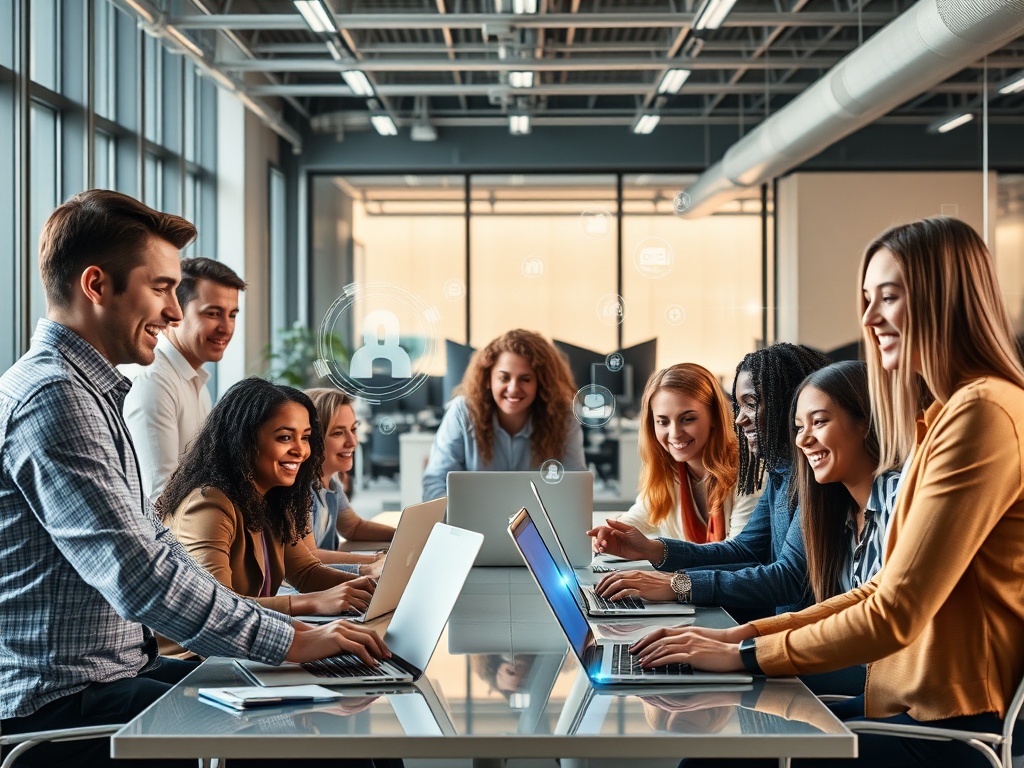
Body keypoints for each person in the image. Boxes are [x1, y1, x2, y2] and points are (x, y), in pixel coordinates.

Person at [0, 190, 388, 768]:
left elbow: (157, 550)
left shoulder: (84, 392)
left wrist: (295, 630)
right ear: (96, 286)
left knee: (332, 717)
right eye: (160, 289)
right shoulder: (55, 397)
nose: (175, 313)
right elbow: (142, 578)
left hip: (117, 675)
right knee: (327, 746)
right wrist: (295, 638)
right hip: (64, 707)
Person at [631, 217, 1024, 768]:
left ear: (945, 299)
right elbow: (880, 590)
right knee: (717, 736)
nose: (868, 318)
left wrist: (744, 655)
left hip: (945, 728)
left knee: (713, 754)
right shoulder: (949, 415)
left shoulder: (982, 413)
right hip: (903, 705)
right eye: (867, 298)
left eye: (888, 297)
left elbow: (893, 613)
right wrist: (739, 638)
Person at [589, 343, 831, 623]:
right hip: (780, 632)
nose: (738, 419)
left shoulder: (806, 477)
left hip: (796, 640)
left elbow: (787, 577)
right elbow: (745, 549)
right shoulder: (783, 472)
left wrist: (676, 585)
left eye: (750, 405)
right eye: (739, 406)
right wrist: (652, 550)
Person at [156, 377, 378, 658]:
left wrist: (374, 589)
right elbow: (219, 608)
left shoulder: (274, 497)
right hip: (196, 662)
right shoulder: (208, 504)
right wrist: (311, 603)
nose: (301, 450)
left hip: (244, 650)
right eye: (285, 437)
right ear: (245, 442)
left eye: (306, 437)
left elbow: (307, 573)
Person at [123, 256, 246, 501]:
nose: (226, 327)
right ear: (175, 314)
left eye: (232, 315)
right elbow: (160, 497)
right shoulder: (154, 380)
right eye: (213, 313)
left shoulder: (195, 379)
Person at [421, 329, 586, 501]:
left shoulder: (563, 417)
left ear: (541, 383)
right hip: (472, 526)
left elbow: (575, 487)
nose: (513, 388)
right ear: (488, 379)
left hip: (538, 527)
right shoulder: (463, 412)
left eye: (525, 379)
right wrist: (460, 519)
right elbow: (435, 483)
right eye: (504, 378)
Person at [611, 363, 760, 545]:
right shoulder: (669, 472)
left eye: (688, 419)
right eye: (663, 422)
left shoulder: (750, 471)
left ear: (714, 416)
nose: (675, 434)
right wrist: (609, 534)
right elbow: (637, 518)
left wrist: (657, 553)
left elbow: (738, 552)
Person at [791, 360, 900, 603]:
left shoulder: (900, 497)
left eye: (818, 421)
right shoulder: (839, 513)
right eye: (799, 427)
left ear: (865, 422)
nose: (803, 440)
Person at [305, 387, 394, 572]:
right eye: (338, 433)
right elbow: (307, 556)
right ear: (311, 438)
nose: (352, 442)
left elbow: (353, 528)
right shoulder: (299, 491)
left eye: (353, 429)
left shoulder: (332, 484)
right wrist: (375, 561)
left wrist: (402, 535)